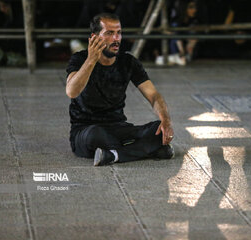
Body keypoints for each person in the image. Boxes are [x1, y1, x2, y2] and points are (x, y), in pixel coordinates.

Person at [65, 13, 175, 166]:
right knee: (96, 135)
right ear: (94, 37)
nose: (116, 39)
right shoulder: (79, 59)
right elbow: (72, 91)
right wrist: (91, 60)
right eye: (109, 33)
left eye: (119, 33)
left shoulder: (128, 62)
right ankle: (148, 150)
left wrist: (166, 121)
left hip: (118, 128)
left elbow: (153, 95)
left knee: (158, 129)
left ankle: (113, 155)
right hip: (86, 130)